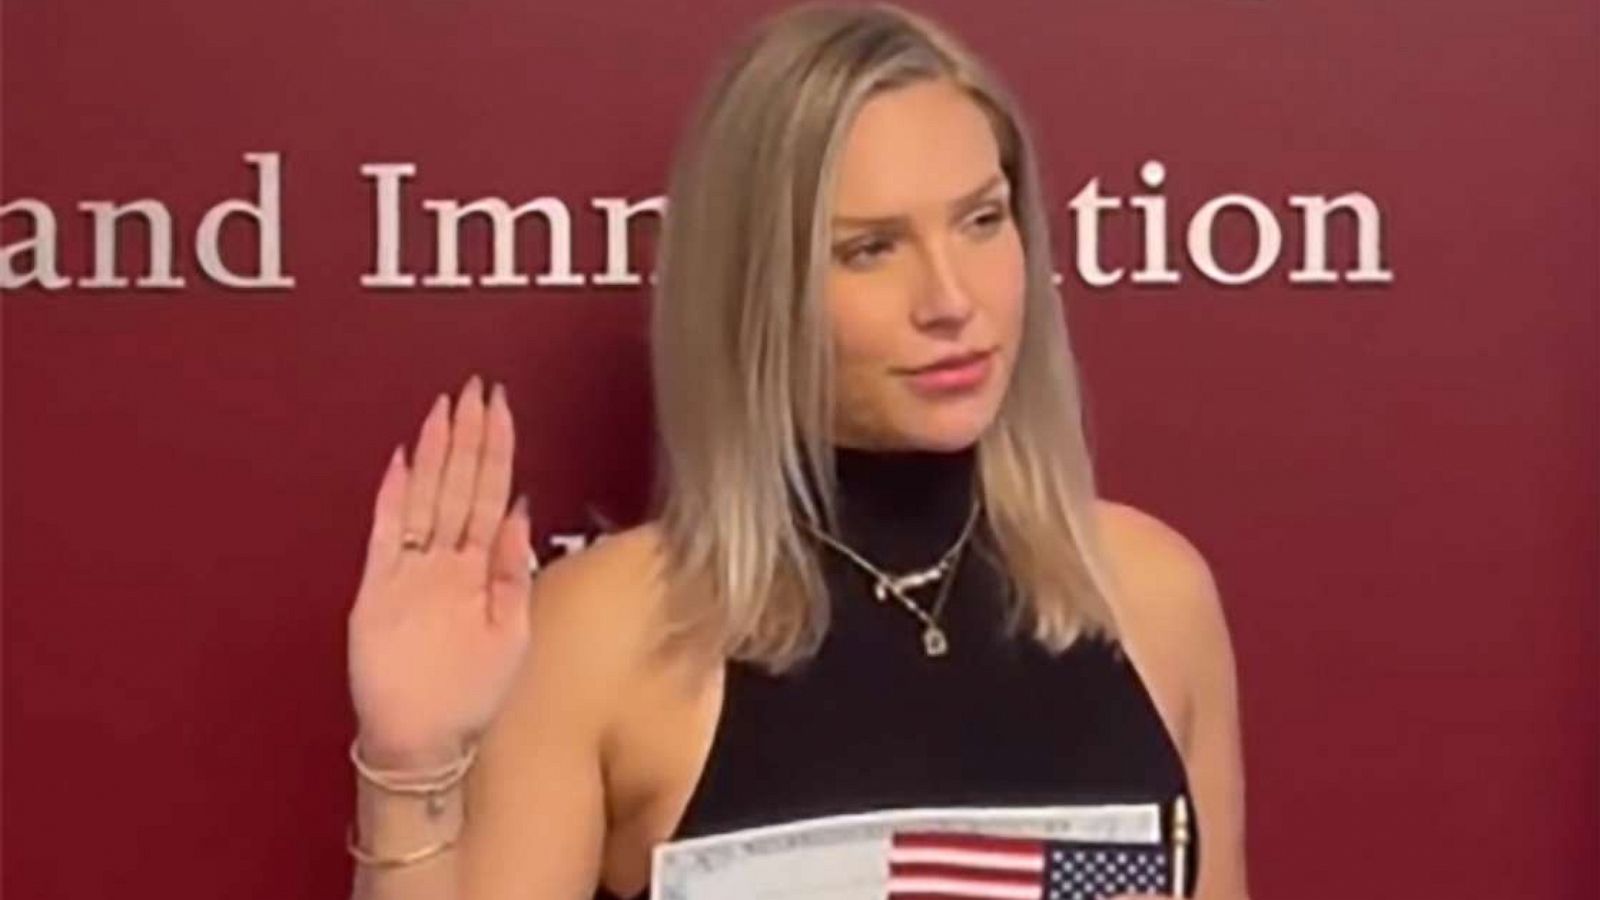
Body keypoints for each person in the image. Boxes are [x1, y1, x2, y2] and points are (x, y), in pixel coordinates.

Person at [343, 3, 1250, 899]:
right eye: (869, 249)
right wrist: (408, 766)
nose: (950, 299)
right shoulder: (602, 637)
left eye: (981, 221)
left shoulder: (1154, 594)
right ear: (757, 288)